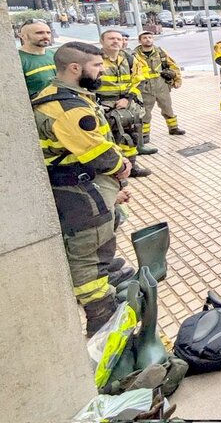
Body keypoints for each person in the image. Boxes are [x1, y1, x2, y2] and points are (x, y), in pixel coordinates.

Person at [33, 42, 133, 335]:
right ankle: (100, 315)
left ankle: (105, 279)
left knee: (101, 237)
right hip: (75, 186)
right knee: (88, 251)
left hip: (82, 182)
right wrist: (120, 167)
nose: (102, 70)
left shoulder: (66, 96)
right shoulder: (67, 108)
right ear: (75, 68)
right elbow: (93, 149)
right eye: (97, 66)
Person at [99, 30, 152, 177]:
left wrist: (127, 99)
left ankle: (132, 166)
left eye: (118, 39)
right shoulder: (95, 59)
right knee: (109, 138)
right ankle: (113, 170)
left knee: (131, 135)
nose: (115, 41)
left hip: (126, 104)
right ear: (102, 41)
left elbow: (140, 80)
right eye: (111, 38)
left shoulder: (129, 59)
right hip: (103, 105)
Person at [133, 31, 186, 143]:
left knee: (167, 107)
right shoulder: (134, 55)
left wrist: (177, 79)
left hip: (161, 85)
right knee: (145, 112)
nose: (147, 39)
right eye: (144, 37)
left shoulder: (160, 52)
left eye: (150, 37)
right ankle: (145, 135)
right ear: (140, 41)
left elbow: (173, 65)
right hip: (145, 87)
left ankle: (173, 128)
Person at [17, 19, 56, 98]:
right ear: (22, 36)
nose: (46, 36)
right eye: (39, 33)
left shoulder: (55, 55)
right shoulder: (17, 60)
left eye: (48, 32)